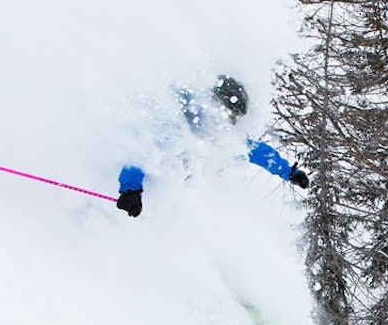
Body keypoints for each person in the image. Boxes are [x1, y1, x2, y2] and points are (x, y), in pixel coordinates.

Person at [115, 75, 308, 218]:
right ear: (217, 104)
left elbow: (253, 150)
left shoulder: (213, 131)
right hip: (137, 189)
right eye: (232, 116)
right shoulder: (177, 121)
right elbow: (144, 151)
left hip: (167, 194)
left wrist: (288, 172)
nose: (233, 123)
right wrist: (130, 189)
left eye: (237, 118)